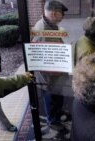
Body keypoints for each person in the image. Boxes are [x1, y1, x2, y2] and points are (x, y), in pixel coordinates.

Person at [31, 0, 69, 131]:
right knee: (51, 97)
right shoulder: (43, 30)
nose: (63, 17)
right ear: (53, 13)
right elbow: (43, 60)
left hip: (56, 72)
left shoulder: (50, 25)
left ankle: (59, 113)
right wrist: (49, 80)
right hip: (49, 75)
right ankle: (53, 121)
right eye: (61, 14)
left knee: (57, 96)